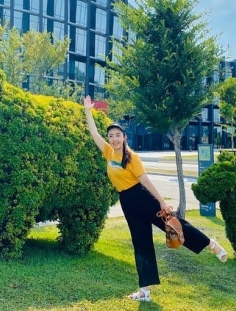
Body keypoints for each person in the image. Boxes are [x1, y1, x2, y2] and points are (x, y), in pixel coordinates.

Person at [83, 96, 227, 302]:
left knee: (175, 226)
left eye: (118, 135)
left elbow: (145, 180)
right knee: (141, 244)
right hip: (127, 202)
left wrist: (161, 201)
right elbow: (94, 133)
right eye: (111, 136)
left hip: (143, 197)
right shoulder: (108, 151)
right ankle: (145, 291)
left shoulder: (132, 157)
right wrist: (88, 111)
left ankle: (210, 244)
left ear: (124, 137)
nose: (114, 139)